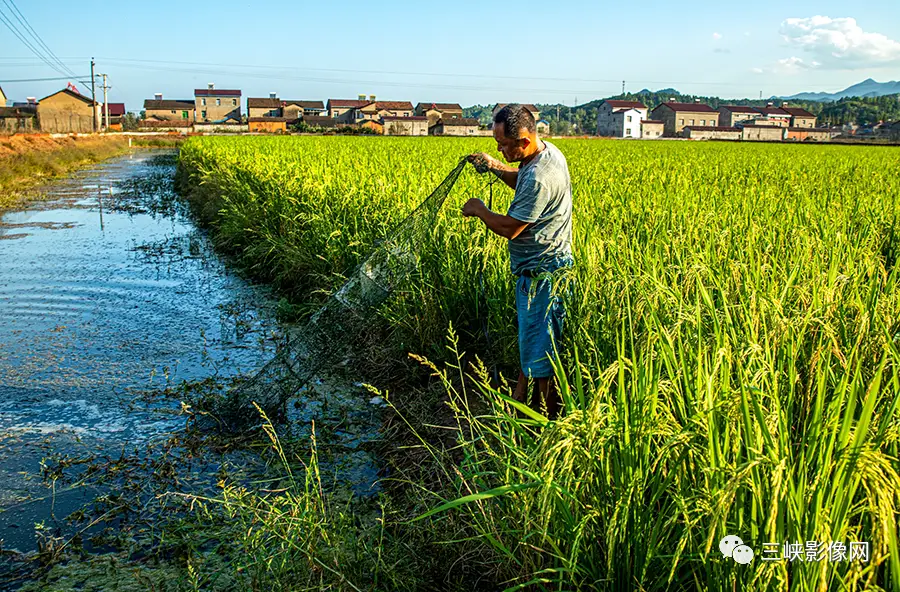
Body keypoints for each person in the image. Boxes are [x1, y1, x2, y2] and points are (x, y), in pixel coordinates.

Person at [462, 104, 573, 419]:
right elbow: (521, 182)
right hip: (538, 270)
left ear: (523, 141)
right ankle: (521, 403)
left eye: (503, 144)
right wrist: (495, 165)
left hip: (543, 274)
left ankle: (550, 423)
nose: (499, 147)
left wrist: (480, 210)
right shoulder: (545, 153)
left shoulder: (540, 176)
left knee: (542, 356)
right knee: (534, 343)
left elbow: (511, 228)